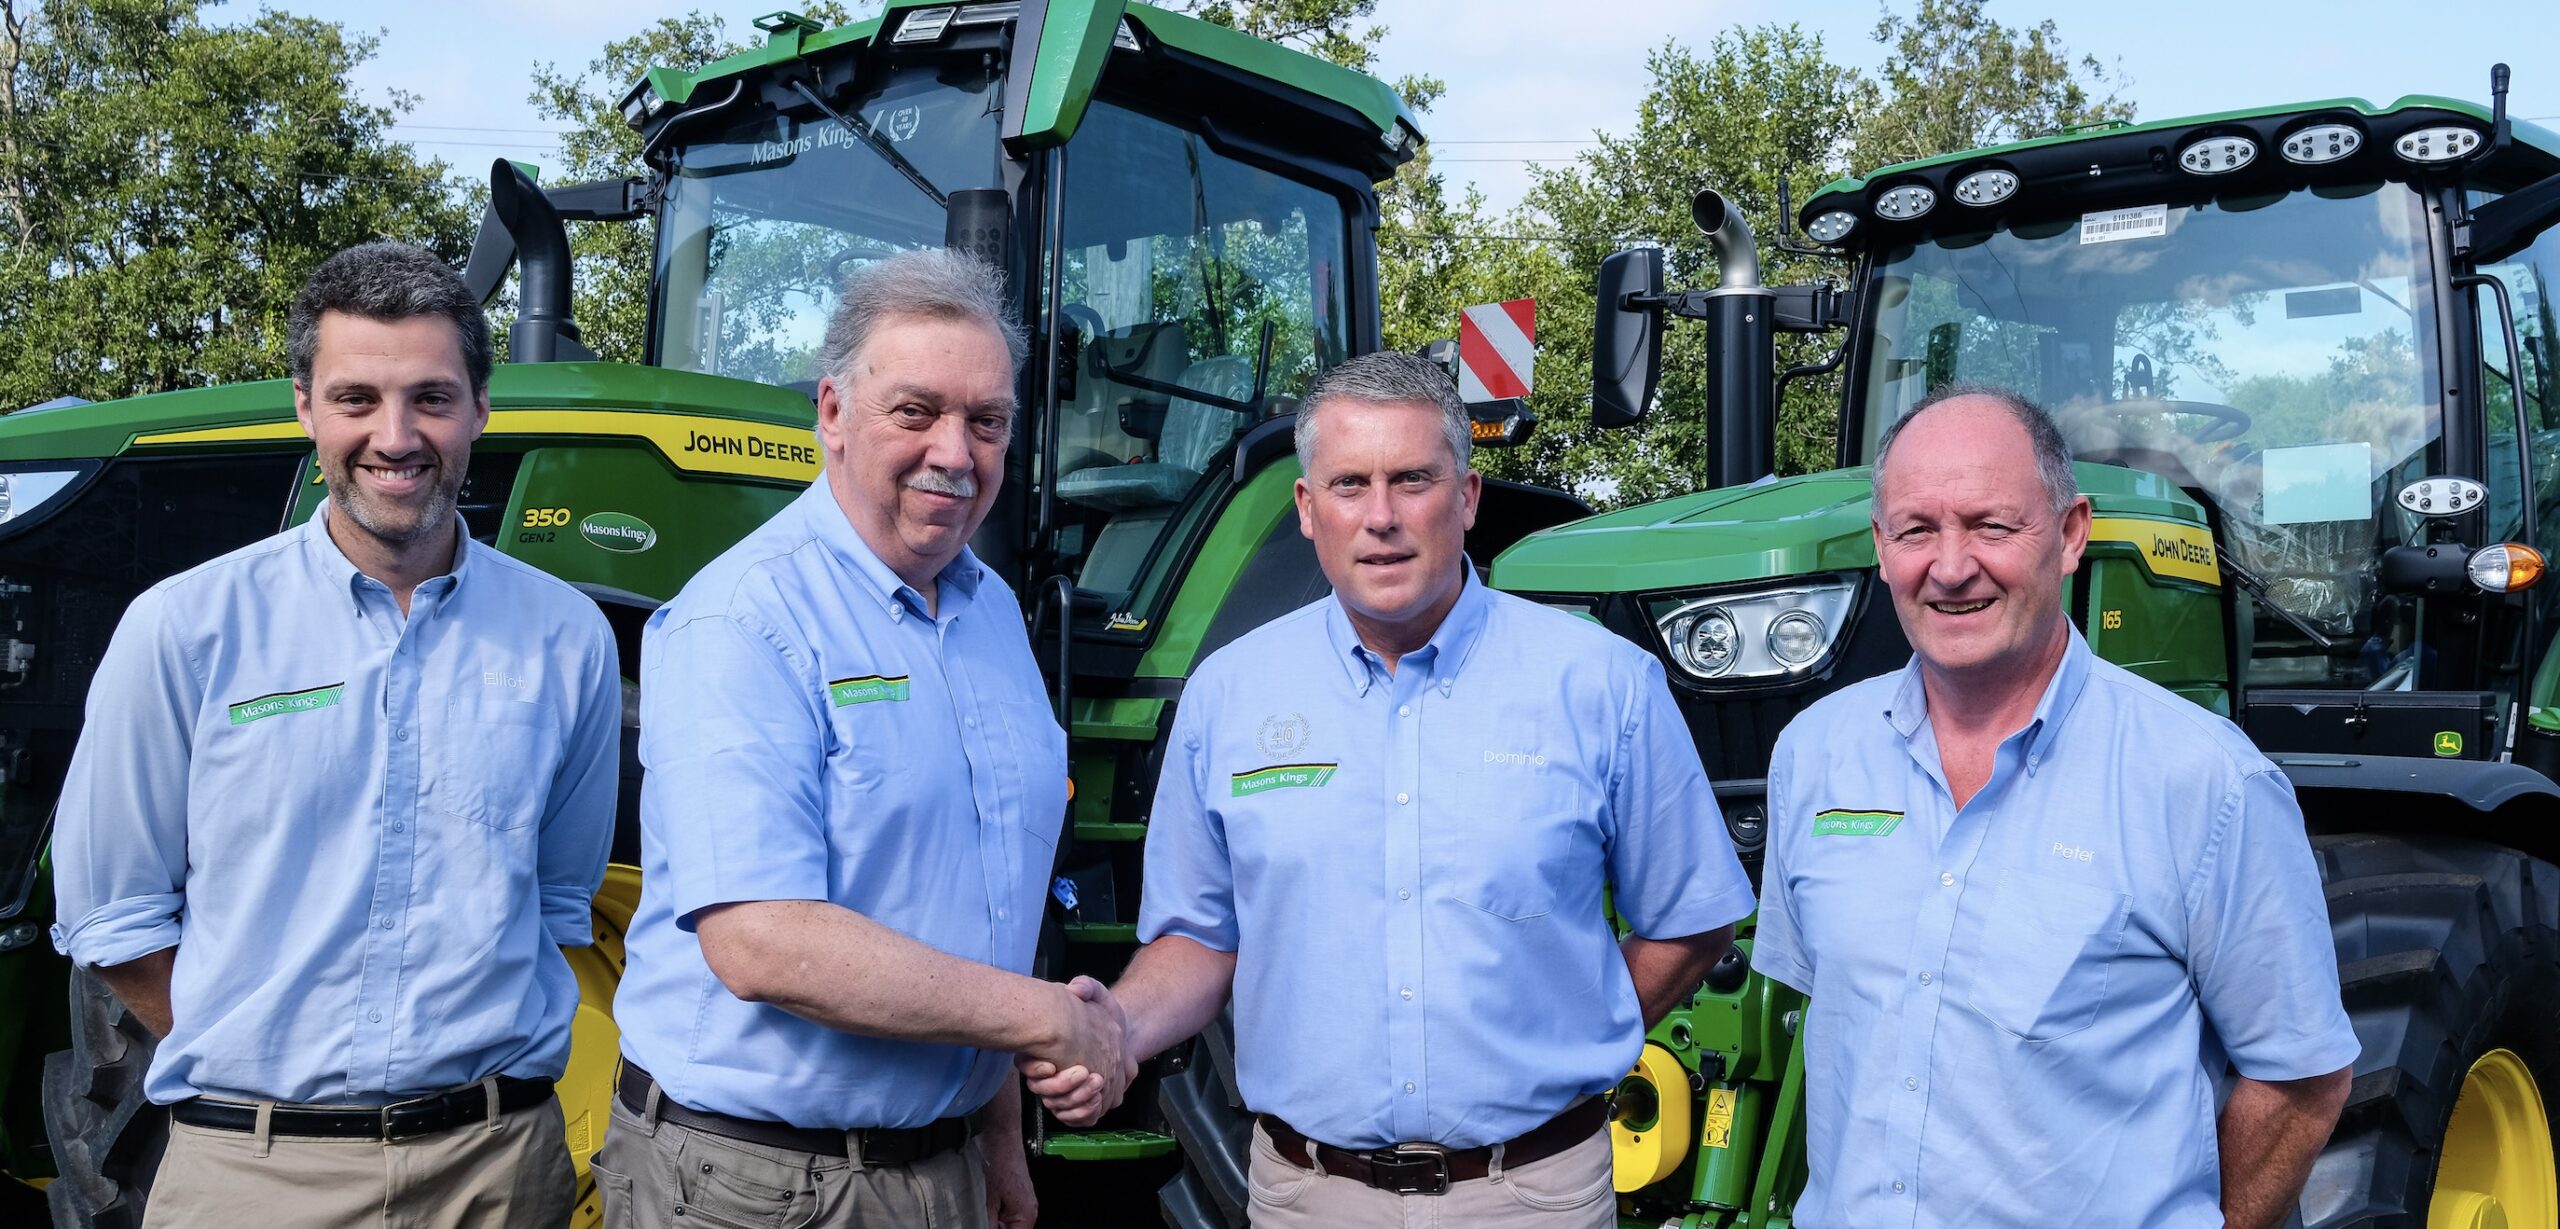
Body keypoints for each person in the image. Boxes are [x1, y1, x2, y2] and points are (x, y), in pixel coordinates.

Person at [1027, 350, 1755, 1226]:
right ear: (1305, 508)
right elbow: (1200, 938)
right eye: (1348, 484)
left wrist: (1578, 1030)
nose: (1381, 517)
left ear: (1468, 496)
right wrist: (1118, 1029)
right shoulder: (1229, 693)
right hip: (1307, 1197)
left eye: (1413, 480)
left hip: (1531, 1196)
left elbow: (1692, 916)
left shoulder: (1602, 685)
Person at [48, 241, 619, 1228]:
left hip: (499, 1170)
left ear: (481, 405)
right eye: (357, 397)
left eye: (431, 398)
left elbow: (560, 899)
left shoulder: (566, 638)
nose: (395, 435)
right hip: (256, 1178)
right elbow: (112, 915)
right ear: (305, 403)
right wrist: (261, 1050)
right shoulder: (184, 628)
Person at [1755, 385, 2357, 1229]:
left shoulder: (2207, 783)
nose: (1952, 565)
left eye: (1992, 526)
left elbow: (2302, 1079)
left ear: (2071, 534)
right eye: (1918, 529)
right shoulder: (1813, 756)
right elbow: (1846, 1023)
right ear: (1881, 547)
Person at [599, 248, 1111, 1229]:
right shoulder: (743, 620)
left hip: (944, 1166)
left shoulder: (994, 613)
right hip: (751, 1184)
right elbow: (763, 938)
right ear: (832, 412)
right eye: (916, 411)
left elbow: (979, 908)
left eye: (987, 420)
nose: (956, 452)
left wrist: (998, 1140)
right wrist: (1050, 1017)